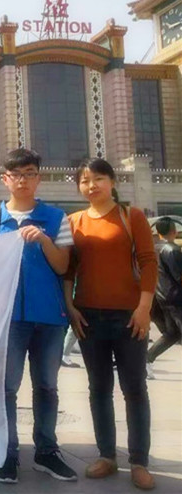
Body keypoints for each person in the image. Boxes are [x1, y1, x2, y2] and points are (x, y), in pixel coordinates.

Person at [64, 157, 157, 491]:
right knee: (99, 388)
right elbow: (69, 270)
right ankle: (106, 455)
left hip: (129, 317)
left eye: (99, 179)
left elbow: (148, 262)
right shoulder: (74, 221)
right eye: (85, 180)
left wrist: (144, 308)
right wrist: (70, 307)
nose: (92, 186)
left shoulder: (132, 217)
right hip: (89, 317)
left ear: (112, 182)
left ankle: (139, 461)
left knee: (135, 389)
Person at [0, 148, 77, 485]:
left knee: (47, 386)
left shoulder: (56, 218)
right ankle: (7, 452)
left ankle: (46, 451)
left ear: (39, 177)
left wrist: (43, 240)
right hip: (8, 319)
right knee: (7, 388)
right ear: (5, 179)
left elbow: (63, 266)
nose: (22, 181)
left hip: (49, 318)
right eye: (16, 175)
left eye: (29, 174)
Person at [147, 216, 182, 374]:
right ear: (174, 231)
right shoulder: (172, 250)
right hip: (175, 298)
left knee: (172, 334)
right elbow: (179, 276)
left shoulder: (155, 247)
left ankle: (146, 359)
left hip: (162, 295)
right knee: (172, 333)